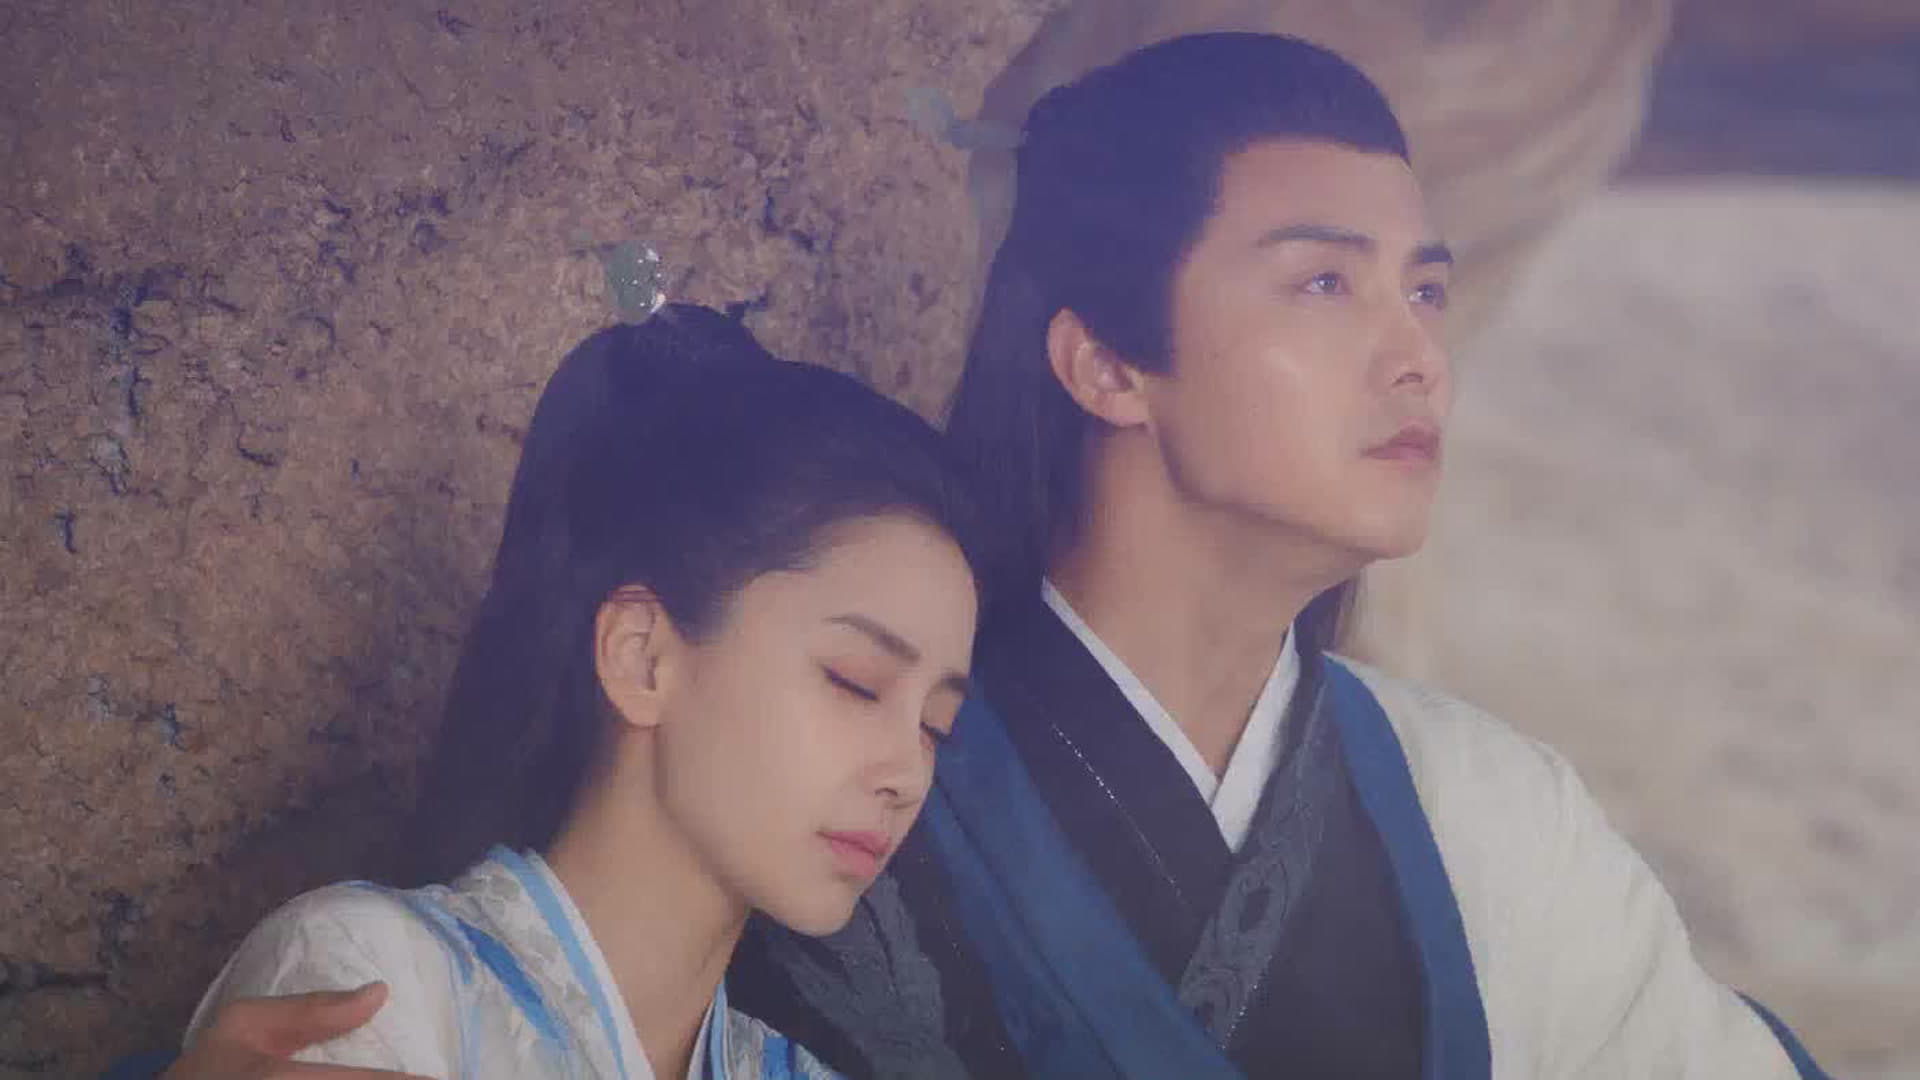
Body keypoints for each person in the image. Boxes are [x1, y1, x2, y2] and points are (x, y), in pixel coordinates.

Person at [155, 32, 1830, 1080]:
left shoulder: (1481, 814)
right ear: (1104, 361)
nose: (1416, 359)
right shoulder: (804, 817)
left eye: (1428, 291)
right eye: (1325, 283)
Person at [125, 304, 985, 1079]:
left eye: (936, 726)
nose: (907, 773)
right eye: (855, 682)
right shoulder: (380, 982)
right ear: (642, 657)